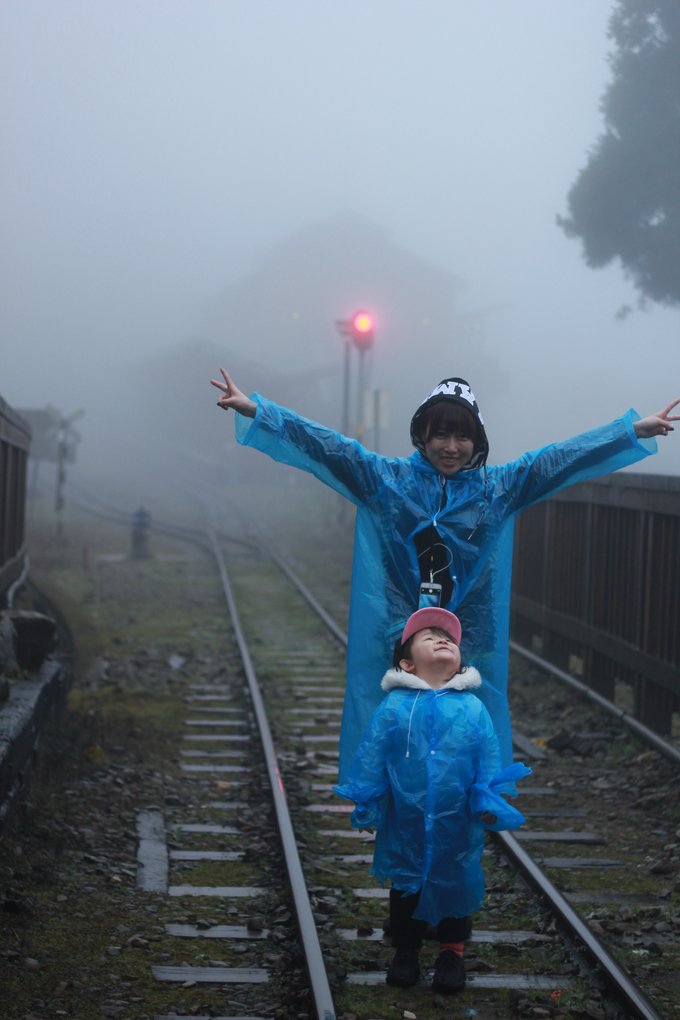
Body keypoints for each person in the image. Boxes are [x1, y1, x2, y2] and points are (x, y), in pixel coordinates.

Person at [210, 367, 679, 783]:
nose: (451, 448)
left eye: (462, 437)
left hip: (470, 642)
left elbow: (558, 460)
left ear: (477, 441)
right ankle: (397, 833)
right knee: (401, 741)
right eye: (440, 435)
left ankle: (459, 830)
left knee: (464, 751)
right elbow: (328, 447)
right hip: (401, 640)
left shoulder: (498, 489)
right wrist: (259, 412)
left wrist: (628, 433)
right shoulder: (387, 482)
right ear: (423, 435)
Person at [333, 606, 531, 992]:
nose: (442, 641)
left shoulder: (472, 707)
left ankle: (452, 952)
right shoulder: (394, 706)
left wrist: (488, 798)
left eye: (449, 640)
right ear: (407, 664)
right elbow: (373, 752)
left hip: (456, 819)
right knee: (406, 882)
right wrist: (366, 798)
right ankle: (406, 949)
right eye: (429, 638)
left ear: (459, 661)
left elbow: (488, 755)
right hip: (406, 818)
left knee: (457, 878)